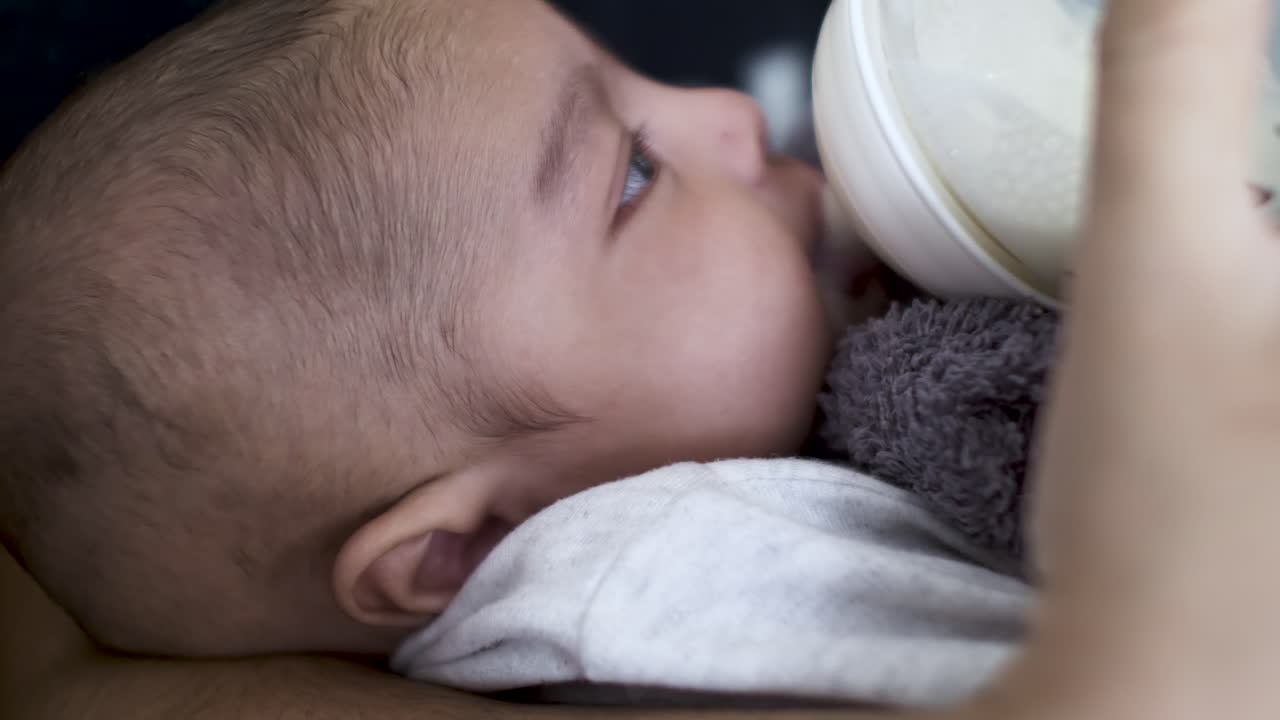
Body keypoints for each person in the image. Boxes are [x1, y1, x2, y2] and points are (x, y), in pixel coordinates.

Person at [7, 0, 1280, 717]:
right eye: (630, 172)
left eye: (637, 86)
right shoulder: (636, 593)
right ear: (460, 549)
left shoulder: (793, 367)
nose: (726, 112)